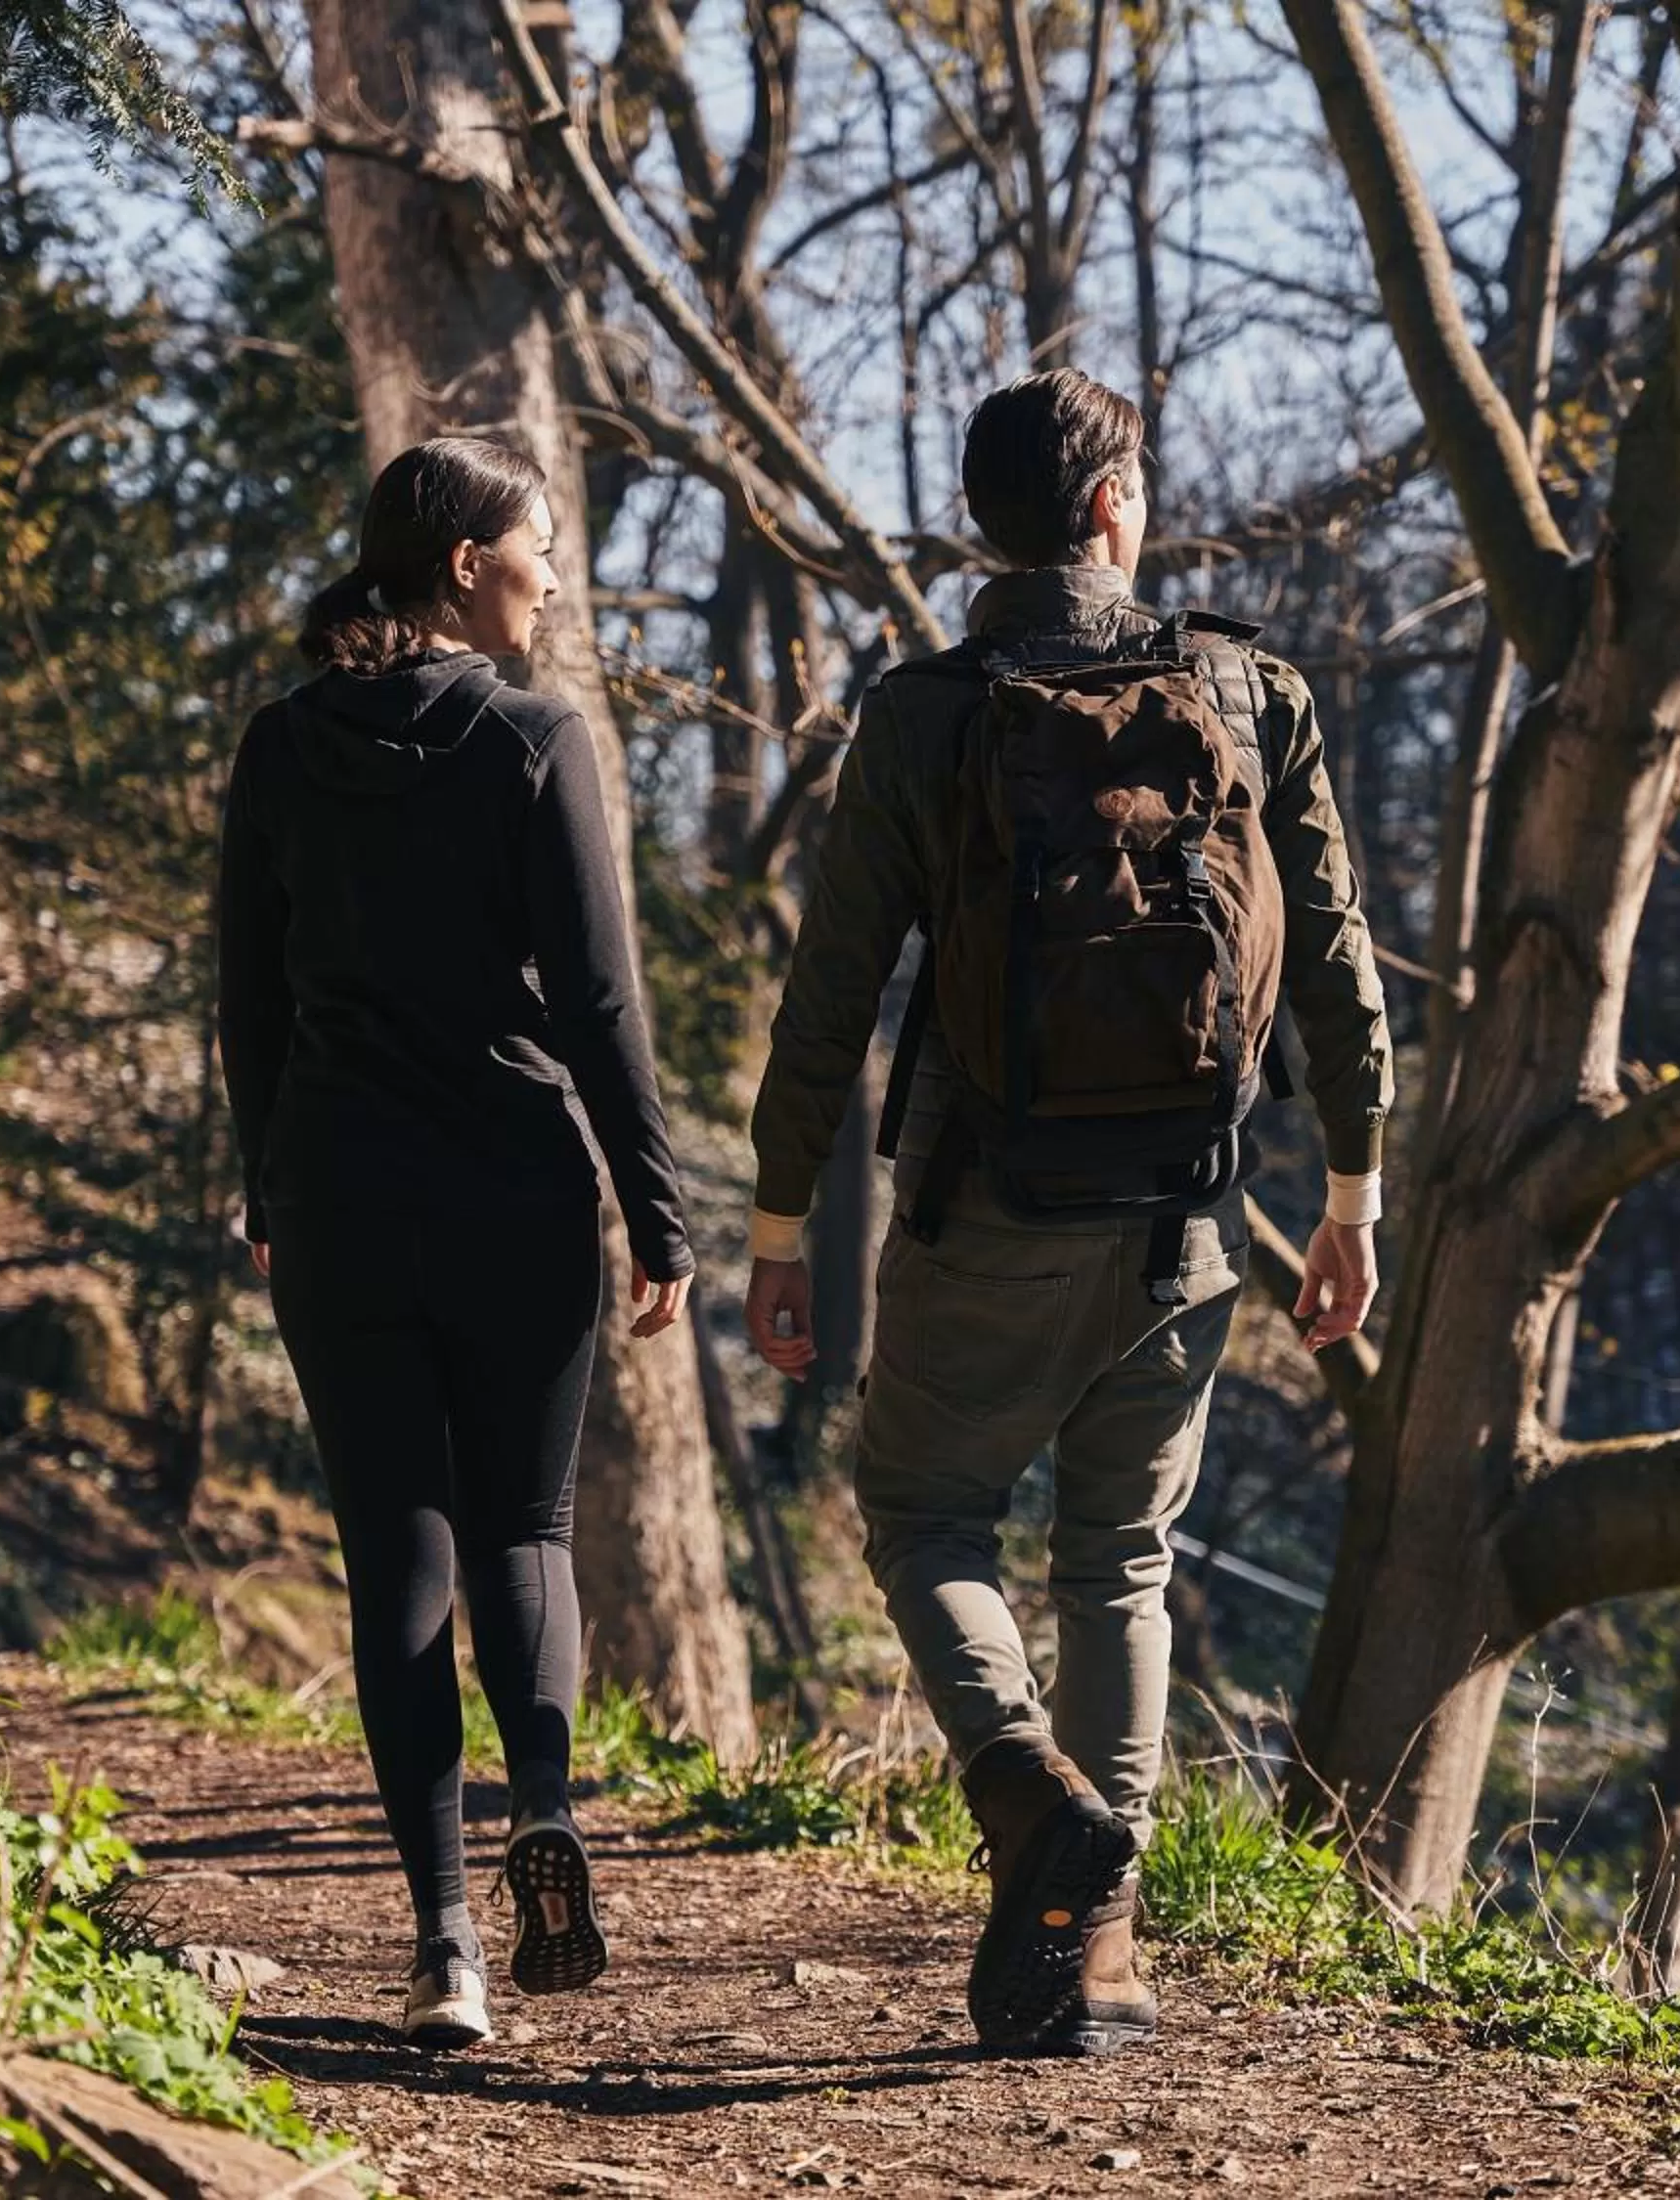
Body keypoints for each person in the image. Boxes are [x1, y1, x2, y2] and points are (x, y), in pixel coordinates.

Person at [743, 369, 1393, 2058]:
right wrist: (1352, 1189)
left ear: (988, 522)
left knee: (925, 1510)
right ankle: (1100, 1957)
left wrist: (771, 1216)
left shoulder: (925, 715)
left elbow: (833, 990)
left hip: (984, 1200)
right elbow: (1331, 951)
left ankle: (1026, 1794)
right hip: (1191, 1202)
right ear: (1115, 508)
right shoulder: (1248, 690)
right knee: (1123, 1558)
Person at [214, 436, 695, 2051]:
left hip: (344, 1193)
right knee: (525, 1531)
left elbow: (248, 1005)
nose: (555, 576)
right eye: (539, 548)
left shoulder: (281, 748)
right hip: (516, 1191)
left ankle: (443, 1943)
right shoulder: (536, 740)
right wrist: (658, 1204)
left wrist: (269, 1189)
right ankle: (542, 1799)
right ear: (467, 564)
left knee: (396, 1558)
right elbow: (603, 1001)